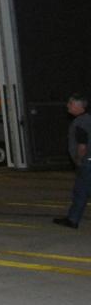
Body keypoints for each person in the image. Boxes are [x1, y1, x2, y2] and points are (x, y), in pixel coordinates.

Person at [55, 94, 91, 228]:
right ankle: (72, 219)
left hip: (87, 162)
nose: (67, 106)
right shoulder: (88, 119)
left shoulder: (80, 122)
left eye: (70, 104)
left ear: (78, 106)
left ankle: (73, 219)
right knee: (81, 191)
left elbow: (82, 145)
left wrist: (79, 160)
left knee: (81, 191)